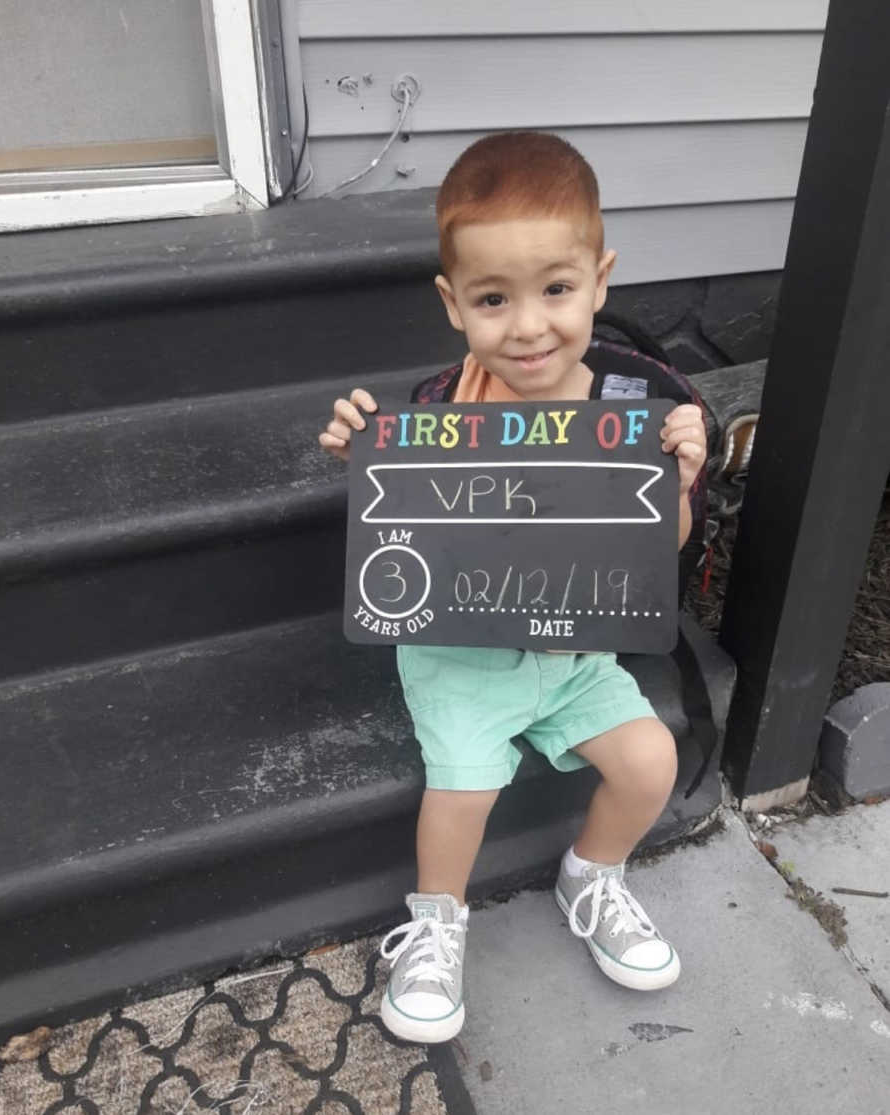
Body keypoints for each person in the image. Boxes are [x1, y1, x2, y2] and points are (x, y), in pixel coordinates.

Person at [318, 132, 707, 1045]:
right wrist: (362, 453)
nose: (528, 325)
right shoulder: (438, 404)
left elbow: (659, 554)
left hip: (574, 652)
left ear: (600, 280)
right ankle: (439, 919)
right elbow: (405, 527)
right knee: (464, 789)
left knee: (650, 758)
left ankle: (593, 873)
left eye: (557, 290)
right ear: (455, 303)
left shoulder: (637, 401)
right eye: (495, 299)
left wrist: (678, 486)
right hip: (464, 657)